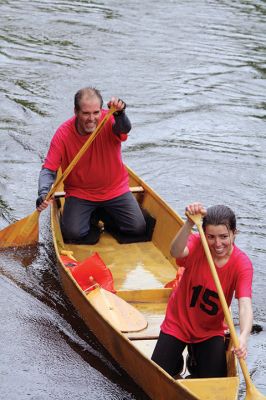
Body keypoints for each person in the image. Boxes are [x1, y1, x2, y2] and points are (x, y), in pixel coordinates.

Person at [151, 202, 253, 378]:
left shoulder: (242, 264)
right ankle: (177, 361)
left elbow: (245, 305)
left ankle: (194, 357)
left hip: (210, 331)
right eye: (211, 237)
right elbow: (175, 251)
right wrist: (189, 222)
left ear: (234, 233)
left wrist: (243, 336)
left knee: (216, 382)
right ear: (203, 234)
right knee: (157, 376)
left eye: (223, 236)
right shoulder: (198, 244)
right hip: (178, 323)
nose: (217, 243)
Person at [36, 87, 146, 244]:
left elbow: (124, 128)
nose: (92, 118)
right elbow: (48, 170)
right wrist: (43, 192)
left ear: (101, 110)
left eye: (96, 112)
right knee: (72, 233)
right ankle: (93, 218)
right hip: (80, 194)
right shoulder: (63, 134)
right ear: (76, 112)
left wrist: (121, 114)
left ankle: (103, 214)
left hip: (115, 190)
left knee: (138, 229)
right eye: (86, 113)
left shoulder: (110, 120)